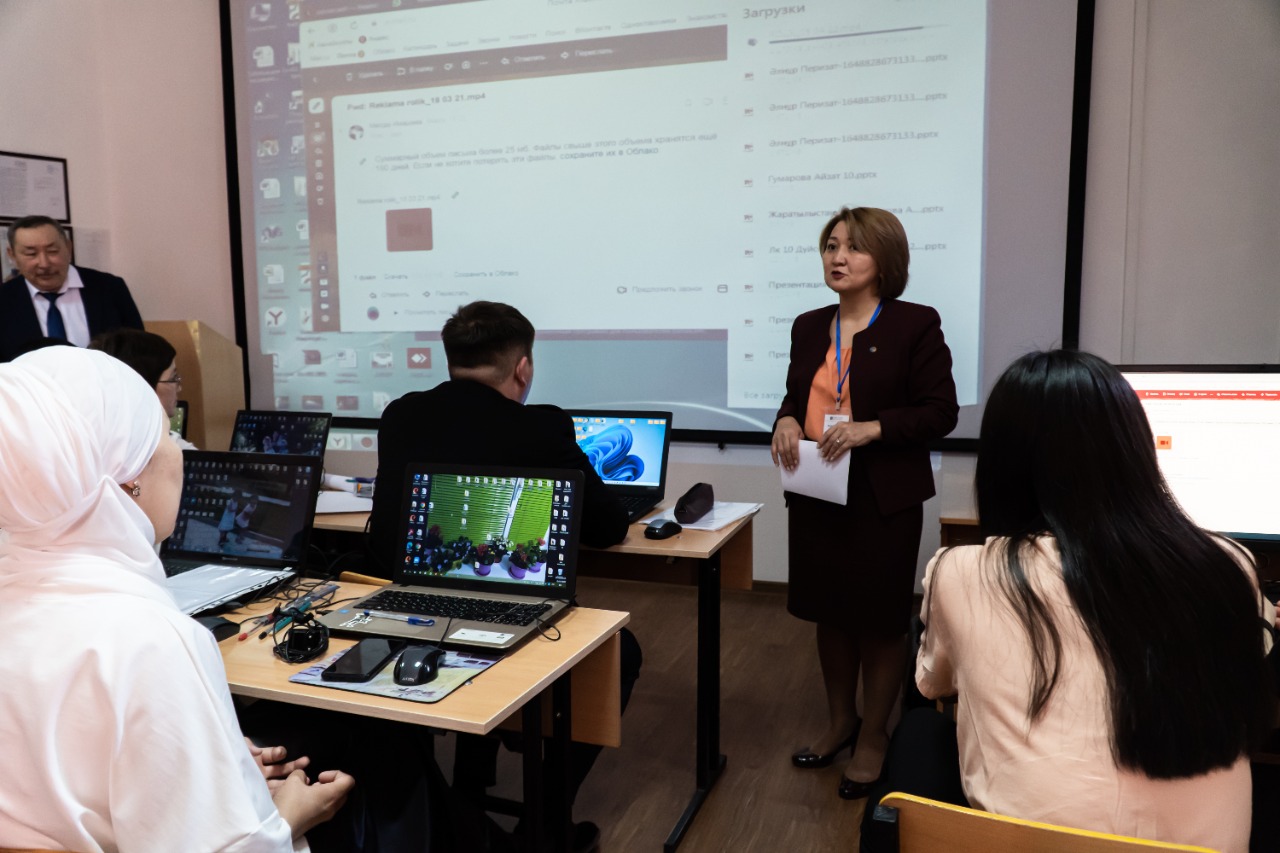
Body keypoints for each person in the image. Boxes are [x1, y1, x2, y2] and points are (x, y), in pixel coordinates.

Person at [863, 349, 1276, 853]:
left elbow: (933, 682)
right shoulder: (1230, 565)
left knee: (919, 731)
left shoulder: (963, 572)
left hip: (1022, 846)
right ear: (1134, 449)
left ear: (1001, 466)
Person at [0, 346, 353, 851]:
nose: (178, 452)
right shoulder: (153, 642)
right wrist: (292, 813)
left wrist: (212, 761)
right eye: (164, 435)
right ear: (129, 480)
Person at [369, 300, 636, 852]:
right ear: (522, 367)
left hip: (404, 608)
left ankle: (467, 790)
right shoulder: (542, 425)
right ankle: (543, 828)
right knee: (621, 653)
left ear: (451, 360)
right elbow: (608, 527)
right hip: (505, 614)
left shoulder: (401, 414)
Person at [771, 206, 958, 800]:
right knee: (829, 614)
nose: (838, 257)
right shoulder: (808, 325)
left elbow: (941, 412)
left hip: (883, 498)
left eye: (853, 247)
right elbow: (796, 396)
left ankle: (874, 735)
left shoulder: (914, 324)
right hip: (818, 490)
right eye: (831, 245)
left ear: (885, 259)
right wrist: (784, 420)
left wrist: (871, 428)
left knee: (878, 623)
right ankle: (840, 722)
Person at [1, 215, 143, 361]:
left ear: (68, 248)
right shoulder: (4, 300)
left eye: (52, 251)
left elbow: (140, 349)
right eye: (31, 254)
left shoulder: (110, 288)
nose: (44, 263)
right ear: (12, 255)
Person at [90, 327, 196, 449]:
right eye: (173, 378)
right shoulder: (176, 452)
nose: (179, 388)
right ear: (144, 386)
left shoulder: (82, 443)